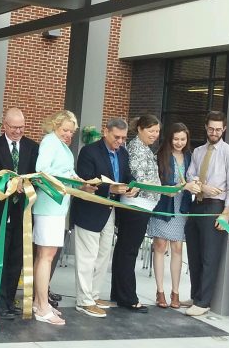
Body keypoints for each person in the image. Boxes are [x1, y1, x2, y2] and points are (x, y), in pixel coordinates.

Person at [71, 118, 136, 318]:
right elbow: (86, 179)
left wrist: (132, 186)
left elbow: (127, 175)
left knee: (103, 255)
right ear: (105, 132)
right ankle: (84, 301)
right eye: (116, 137)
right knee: (87, 257)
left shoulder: (123, 153)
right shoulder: (89, 151)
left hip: (109, 209)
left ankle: (94, 294)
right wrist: (111, 188)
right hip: (89, 210)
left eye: (124, 138)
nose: (120, 141)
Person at [32, 109, 91, 326]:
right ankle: (41, 306)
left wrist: (81, 182)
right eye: (65, 130)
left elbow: (65, 172)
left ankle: (40, 302)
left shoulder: (61, 146)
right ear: (55, 126)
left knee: (46, 255)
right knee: (46, 255)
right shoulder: (49, 142)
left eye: (71, 132)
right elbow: (42, 171)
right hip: (49, 205)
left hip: (57, 207)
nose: (68, 134)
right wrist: (70, 180)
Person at [184, 111, 229, 316]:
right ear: (206, 127)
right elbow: (190, 174)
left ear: (224, 129)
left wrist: (226, 213)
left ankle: (203, 302)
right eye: (211, 128)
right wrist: (202, 186)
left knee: (209, 255)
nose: (214, 132)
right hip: (197, 204)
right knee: (194, 253)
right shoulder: (198, 151)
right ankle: (195, 295)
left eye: (218, 129)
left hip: (215, 207)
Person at [0, 108, 38, 320]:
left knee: (17, 256)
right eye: (14, 127)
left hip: (23, 211)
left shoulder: (32, 147)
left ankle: (9, 300)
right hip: (1, 211)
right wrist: (9, 185)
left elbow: (37, 176)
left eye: (21, 127)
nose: (18, 131)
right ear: (4, 126)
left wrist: (27, 186)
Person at [111, 114, 161, 313]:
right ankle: (128, 297)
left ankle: (120, 292)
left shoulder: (144, 148)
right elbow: (139, 179)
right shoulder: (136, 148)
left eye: (157, 131)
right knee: (128, 251)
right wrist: (164, 188)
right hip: (136, 205)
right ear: (140, 129)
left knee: (125, 250)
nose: (154, 135)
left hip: (142, 206)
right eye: (151, 130)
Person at [150, 123, 199, 309]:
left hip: (182, 206)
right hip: (164, 204)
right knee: (160, 246)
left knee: (177, 248)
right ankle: (160, 291)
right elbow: (160, 184)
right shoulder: (160, 156)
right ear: (170, 138)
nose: (179, 143)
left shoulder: (190, 157)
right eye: (176, 139)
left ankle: (176, 292)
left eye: (183, 139)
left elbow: (194, 178)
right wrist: (183, 186)